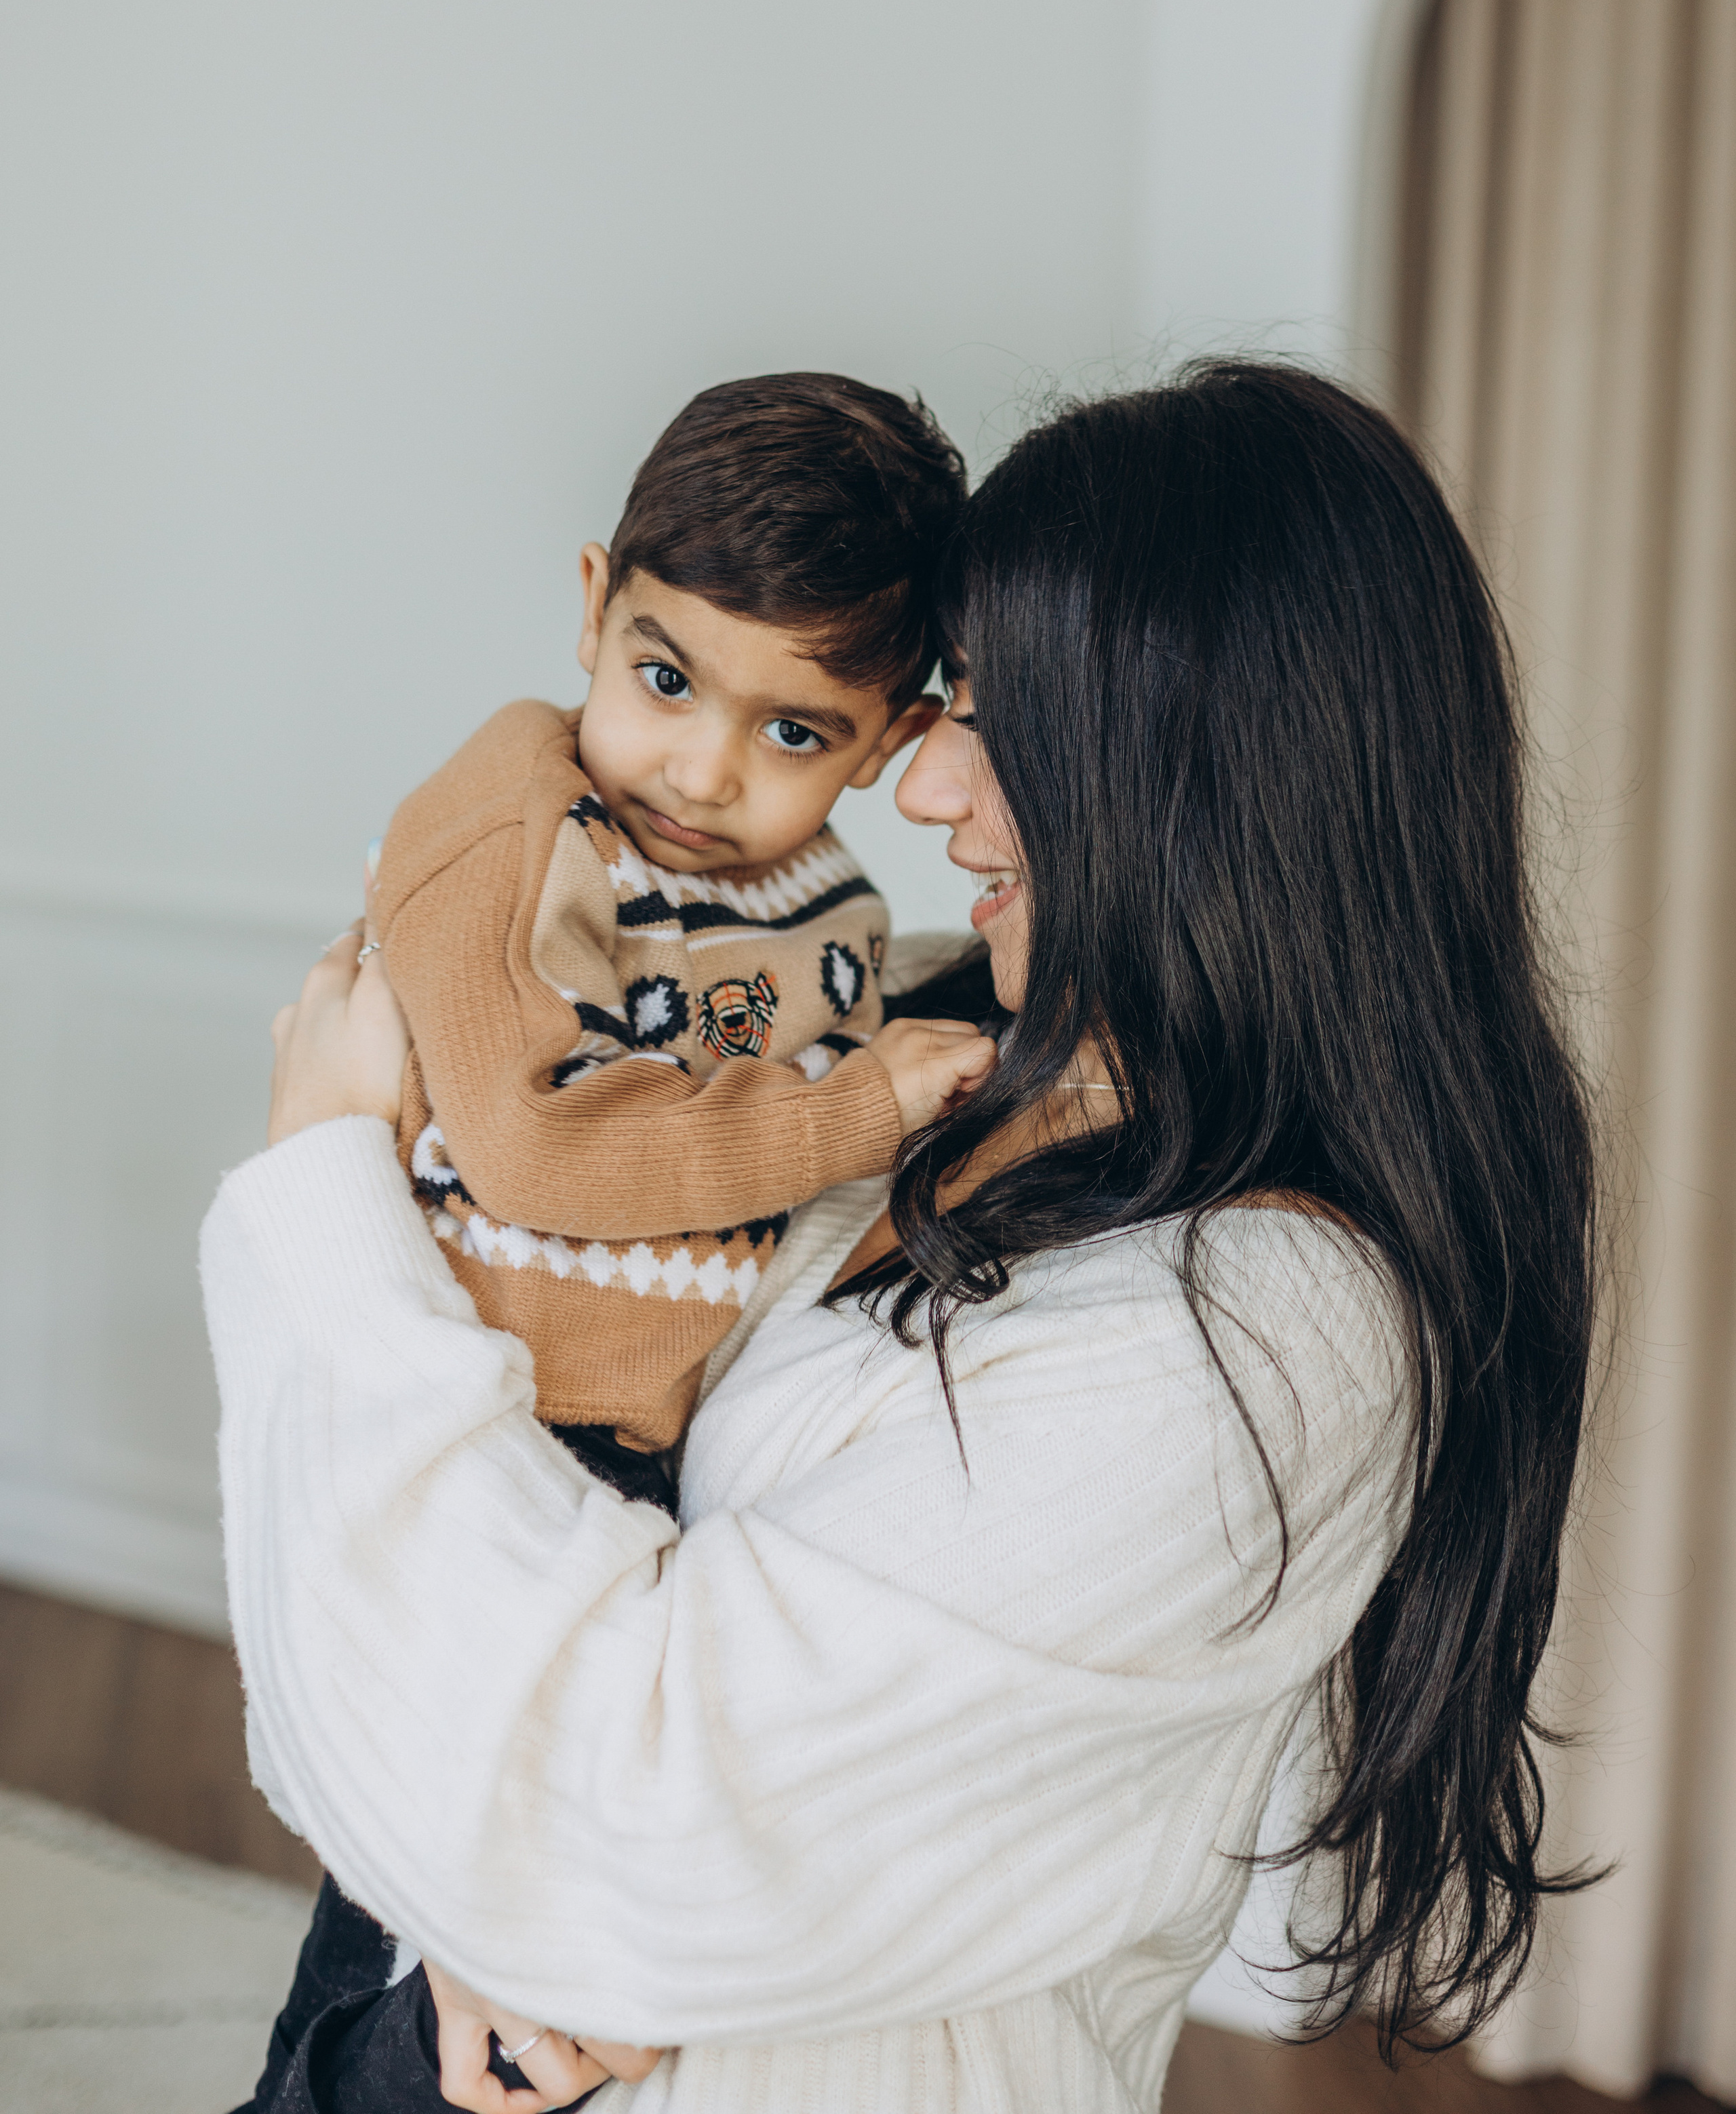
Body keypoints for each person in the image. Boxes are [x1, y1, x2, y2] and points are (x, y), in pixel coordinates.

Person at [204, 361, 1598, 2113]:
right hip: (447, 2022)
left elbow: (624, 1813)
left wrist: (327, 1184)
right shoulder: (952, 1061)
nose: (923, 785)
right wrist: (470, 1899)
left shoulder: (1268, 1334)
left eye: (993, 715)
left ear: (1178, 765)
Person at [239, 368, 998, 2110]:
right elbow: (529, 1143)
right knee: (430, 1974)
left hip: (633, 1472)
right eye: (662, 678)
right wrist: (864, 1107)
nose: (701, 767)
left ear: (888, 742)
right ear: (592, 605)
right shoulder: (515, 818)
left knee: (509, 1941)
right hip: (471, 1442)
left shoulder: (825, 911)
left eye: (793, 733)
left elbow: (755, 1136)